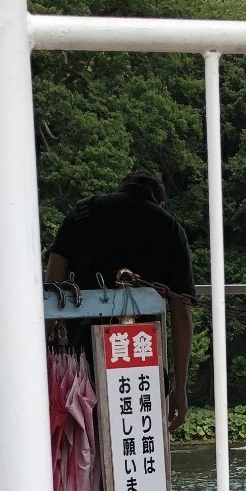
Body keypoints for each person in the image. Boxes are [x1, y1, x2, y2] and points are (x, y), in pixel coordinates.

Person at [46, 168, 196, 430]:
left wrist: (42, 357)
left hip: (81, 356)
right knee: (137, 441)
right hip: (142, 358)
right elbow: (181, 312)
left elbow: (51, 286)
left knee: (82, 444)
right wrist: (179, 387)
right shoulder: (169, 227)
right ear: (159, 202)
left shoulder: (83, 213)